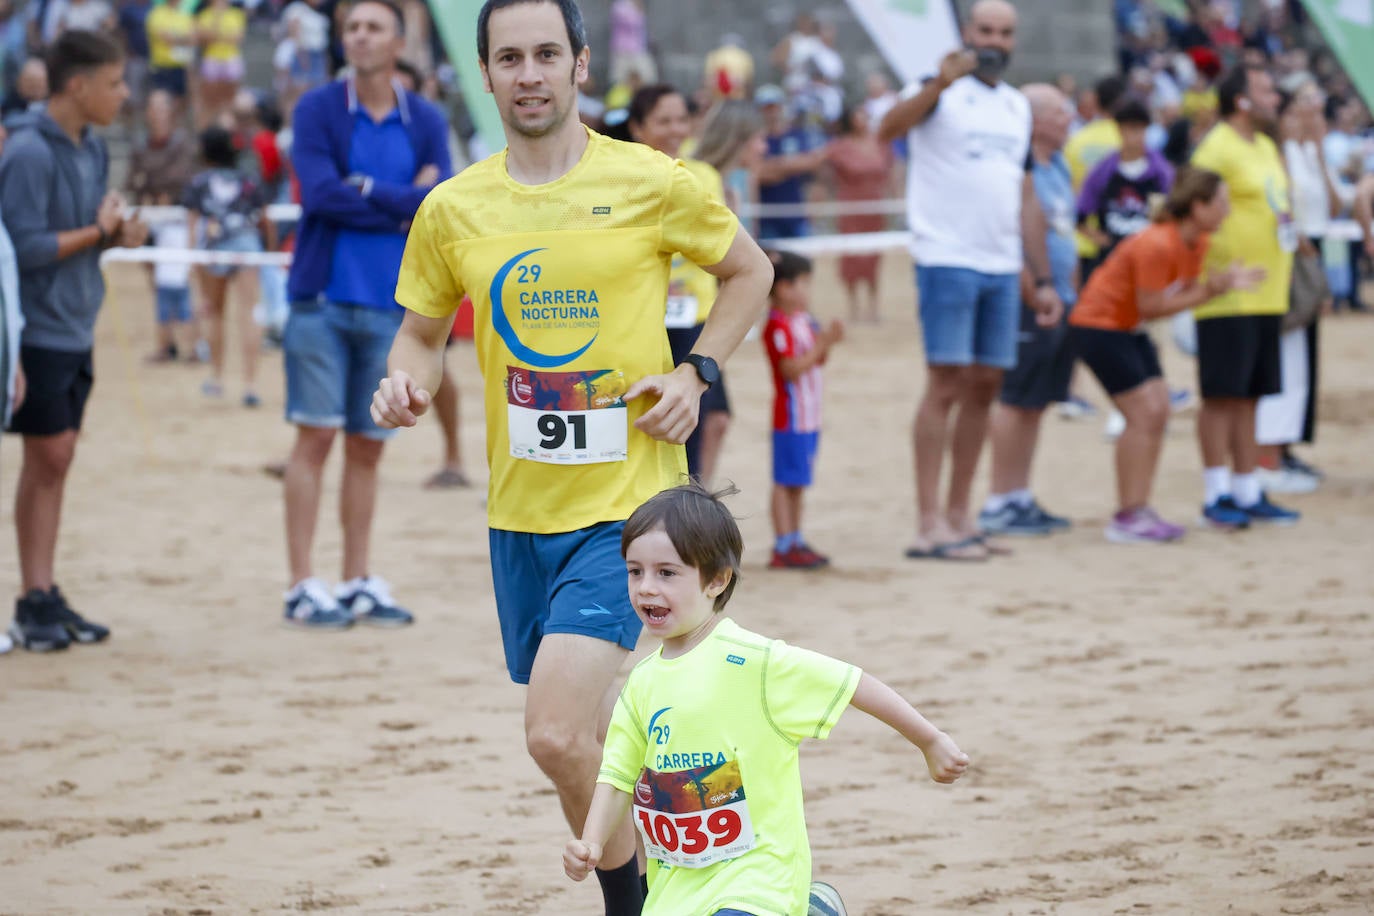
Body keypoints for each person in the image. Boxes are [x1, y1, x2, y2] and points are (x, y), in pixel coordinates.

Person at [371, 2, 772, 913]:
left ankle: (654, 899)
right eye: (509, 57)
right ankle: (701, 878)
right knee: (591, 738)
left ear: (582, 64)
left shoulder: (650, 180)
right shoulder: (454, 207)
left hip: (630, 513)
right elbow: (420, 333)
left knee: (553, 735)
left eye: (547, 53)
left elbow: (751, 271)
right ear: (485, 73)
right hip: (519, 520)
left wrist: (696, 372)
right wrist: (403, 384)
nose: (530, 73)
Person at [562, 483, 969, 915]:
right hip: (677, 893)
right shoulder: (642, 683)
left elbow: (852, 683)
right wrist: (591, 840)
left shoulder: (754, 662)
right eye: (635, 571)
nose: (645, 587)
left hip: (758, 880)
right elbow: (617, 777)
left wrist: (930, 740)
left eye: (667, 572)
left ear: (717, 579)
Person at [281, 0, 451, 629]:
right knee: (315, 436)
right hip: (322, 299)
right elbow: (319, 192)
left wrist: (367, 190)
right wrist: (402, 200)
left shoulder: (426, 117)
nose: (359, 35)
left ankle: (356, 578)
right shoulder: (318, 107)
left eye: (373, 25)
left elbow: (440, 201)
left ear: (399, 39)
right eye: (351, 26)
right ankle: (301, 581)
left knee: (366, 448)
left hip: (391, 309)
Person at [877, 0, 1061, 562]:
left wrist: (1043, 275)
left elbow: (1026, 193)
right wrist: (939, 82)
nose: (996, 40)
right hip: (947, 256)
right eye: (986, 29)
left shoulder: (1015, 105)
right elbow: (887, 129)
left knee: (985, 386)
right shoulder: (936, 88)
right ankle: (928, 522)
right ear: (965, 32)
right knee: (946, 383)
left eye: (1005, 32)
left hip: (1003, 264)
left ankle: (961, 516)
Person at [1, 29, 147, 652]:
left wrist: (115, 236)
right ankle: (34, 597)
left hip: (72, 326)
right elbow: (24, 247)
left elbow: (80, 234)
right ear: (78, 85)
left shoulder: (89, 149)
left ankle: (41, 593)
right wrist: (97, 231)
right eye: (114, 82)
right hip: (32, 330)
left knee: (55, 461)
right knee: (50, 458)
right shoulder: (30, 151)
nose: (123, 94)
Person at [1069, 169, 1263, 542]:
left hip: (1128, 327)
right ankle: (1128, 514)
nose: (1226, 210)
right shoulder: (1159, 243)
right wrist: (1213, 290)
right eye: (1220, 202)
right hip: (1101, 325)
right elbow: (1157, 305)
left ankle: (1138, 508)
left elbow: (1175, 297)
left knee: (1156, 410)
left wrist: (1212, 289)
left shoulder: (1196, 242)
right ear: (1198, 206)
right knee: (1144, 413)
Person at [1189, 65, 1300, 529]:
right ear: (1241, 99)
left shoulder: (1267, 146)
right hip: (1227, 290)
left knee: (1251, 395)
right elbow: (1191, 203)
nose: (1275, 95)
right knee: (1221, 395)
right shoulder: (1218, 146)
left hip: (1267, 289)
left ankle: (1246, 486)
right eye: (1265, 88)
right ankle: (1216, 491)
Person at [979, 84, 1077, 538]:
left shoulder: (1058, 166)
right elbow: (1010, 235)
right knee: (1015, 399)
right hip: (1026, 298)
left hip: (1058, 298)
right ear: (1035, 119)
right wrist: (1033, 289)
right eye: (1059, 112)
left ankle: (1019, 495)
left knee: (1036, 402)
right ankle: (999, 499)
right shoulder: (1016, 169)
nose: (1069, 118)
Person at [628, 84, 732, 484]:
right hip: (646, 318)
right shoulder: (626, 178)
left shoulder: (703, 175)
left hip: (698, 317)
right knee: (663, 415)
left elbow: (723, 249)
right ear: (638, 127)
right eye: (663, 120)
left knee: (715, 416)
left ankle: (696, 492)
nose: (675, 129)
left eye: (681, 120)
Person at [1257, 78, 1343, 494]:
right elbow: (1283, 205)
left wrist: (1321, 150)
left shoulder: (1308, 151)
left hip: (1309, 250)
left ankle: (1285, 446)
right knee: (1287, 357)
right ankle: (1270, 451)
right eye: (1300, 106)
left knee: (1303, 360)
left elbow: (1334, 203)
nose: (1310, 112)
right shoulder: (1278, 153)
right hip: (1296, 254)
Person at [183, 125, 274, 406]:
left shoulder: (199, 183)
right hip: (247, 249)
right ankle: (250, 384)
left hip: (214, 249)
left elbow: (192, 226)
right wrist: (269, 254)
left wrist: (193, 261)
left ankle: (216, 378)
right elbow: (265, 220)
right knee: (249, 314)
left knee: (214, 313)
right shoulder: (249, 180)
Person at [763, 250, 841, 569]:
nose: (806, 292)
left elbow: (817, 361)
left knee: (798, 481)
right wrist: (824, 344)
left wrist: (827, 343)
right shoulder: (777, 324)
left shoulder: (804, 321)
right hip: (791, 415)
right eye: (802, 284)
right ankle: (783, 543)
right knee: (786, 481)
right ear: (783, 288)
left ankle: (795, 538)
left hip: (809, 414)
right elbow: (791, 369)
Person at [126, 89, 198, 363]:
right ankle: (167, 343)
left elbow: (179, 178)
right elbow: (133, 181)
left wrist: (152, 186)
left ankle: (193, 344)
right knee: (157, 282)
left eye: (162, 108)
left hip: (176, 220)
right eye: (152, 108)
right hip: (151, 219)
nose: (157, 114)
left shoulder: (181, 144)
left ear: (171, 112)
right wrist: (151, 191)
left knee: (179, 282)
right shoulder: (140, 144)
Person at [826, 105, 893, 323]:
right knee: (852, 257)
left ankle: (873, 307)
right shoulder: (840, 146)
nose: (862, 119)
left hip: (874, 208)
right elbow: (818, 163)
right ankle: (853, 307)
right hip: (850, 209)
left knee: (873, 257)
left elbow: (891, 172)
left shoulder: (880, 143)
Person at [754, 83, 827, 241]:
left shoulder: (797, 134)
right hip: (767, 219)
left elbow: (814, 164)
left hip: (797, 216)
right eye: (767, 108)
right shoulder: (756, 139)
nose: (771, 112)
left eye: (774, 107)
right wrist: (793, 165)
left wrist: (775, 166)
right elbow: (759, 174)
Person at [194, 0, 246, 129]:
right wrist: (218, 21)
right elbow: (203, 38)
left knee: (230, 100)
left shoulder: (236, 14)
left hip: (230, 60)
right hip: (212, 59)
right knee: (209, 100)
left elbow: (238, 37)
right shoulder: (205, 15)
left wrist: (216, 35)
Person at [145, 0, 194, 106]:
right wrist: (183, 39)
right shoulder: (157, 14)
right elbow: (165, 37)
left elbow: (193, 38)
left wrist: (176, 38)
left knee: (180, 101)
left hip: (180, 66)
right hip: (162, 65)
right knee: (160, 102)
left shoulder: (184, 15)